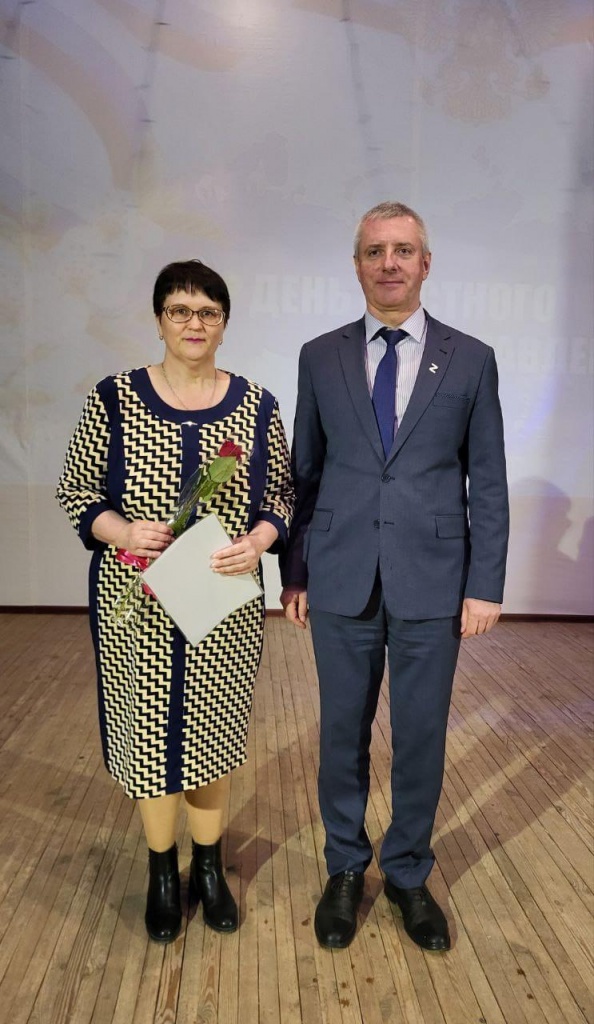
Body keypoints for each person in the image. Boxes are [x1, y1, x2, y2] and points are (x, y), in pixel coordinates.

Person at [280, 202, 509, 952]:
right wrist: (296, 571)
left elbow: (488, 479)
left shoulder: (471, 358)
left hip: (433, 581)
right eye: (375, 251)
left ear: (425, 263)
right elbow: (305, 472)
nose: (389, 263)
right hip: (341, 575)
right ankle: (345, 868)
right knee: (340, 732)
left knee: (420, 737)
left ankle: (408, 872)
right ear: (357, 265)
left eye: (403, 250)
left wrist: (485, 583)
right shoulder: (320, 356)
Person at [57, 259, 294, 943]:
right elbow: (77, 491)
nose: (194, 323)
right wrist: (122, 531)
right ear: (159, 320)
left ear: (225, 323)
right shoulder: (114, 398)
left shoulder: (257, 405)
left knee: (213, 734)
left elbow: (282, 494)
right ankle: (163, 869)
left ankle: (209, 867)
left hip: (223, 601)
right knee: (147, 737)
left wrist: (259, 540)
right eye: (180, 311)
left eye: (208, 312)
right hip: (137, 603)